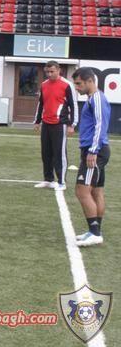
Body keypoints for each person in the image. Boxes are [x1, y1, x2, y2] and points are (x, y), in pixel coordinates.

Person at [71, 68, 111, 247]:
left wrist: (93, 150)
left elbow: (101, 125)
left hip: (95, 151)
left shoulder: (97, 98)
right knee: (96, 191)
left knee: (82, 190)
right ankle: (95, 231)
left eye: (79, 84)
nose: (77, 87)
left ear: (89, 81)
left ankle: (95, 233)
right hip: (97, 149)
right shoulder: (92, 98)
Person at [33, 61, 78, 191]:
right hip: (46, 123)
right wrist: (37, 121)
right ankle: (48, 180)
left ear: (59, 70)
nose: (49, 74)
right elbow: (41, 104)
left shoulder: (67, 85)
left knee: (59, 153)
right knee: (46, 153)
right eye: (47, 72)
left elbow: (73, 105)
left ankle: (62, 182)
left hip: (60, 124)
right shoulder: (44, 85)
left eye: (52, 71)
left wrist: (72, 124)